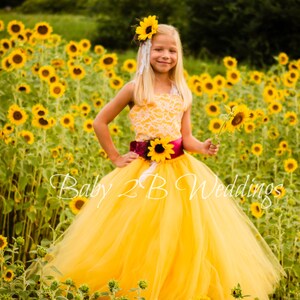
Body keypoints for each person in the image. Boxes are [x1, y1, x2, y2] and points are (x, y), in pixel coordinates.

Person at [42, 16, 286, 299]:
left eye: (172, 50)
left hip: (180, 172)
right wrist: (115, 157)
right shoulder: (135, 88)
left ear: (178, 55)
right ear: (146, 51)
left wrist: (202, 147)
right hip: (141, 172)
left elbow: (186, 137)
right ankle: (134, 286)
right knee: (136, 233)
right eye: (159, 49)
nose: (165, 55)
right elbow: (100, 122)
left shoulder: (182, 91)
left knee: (183, 235)